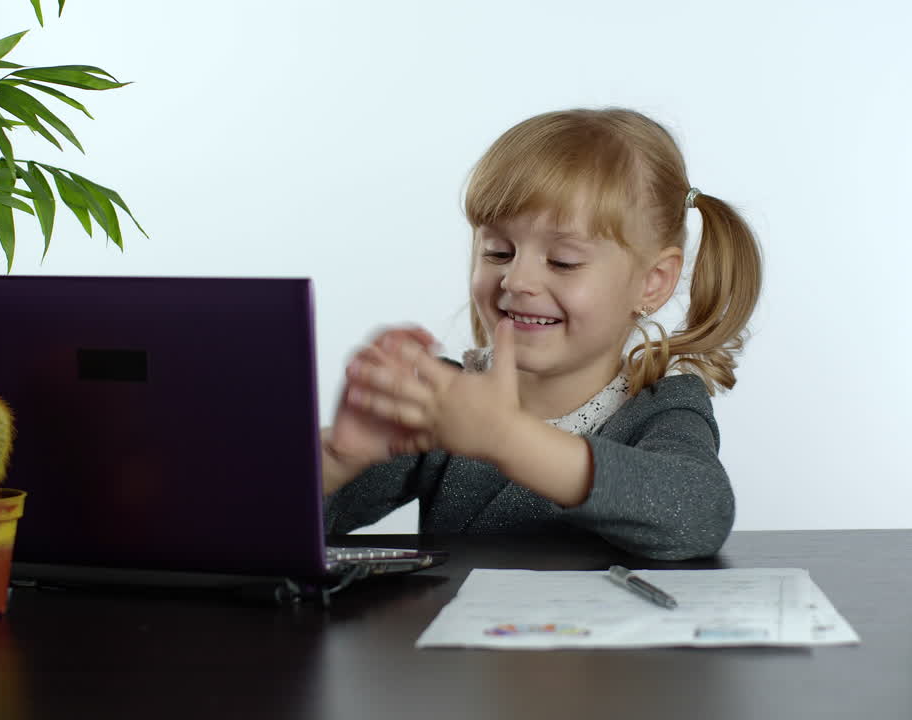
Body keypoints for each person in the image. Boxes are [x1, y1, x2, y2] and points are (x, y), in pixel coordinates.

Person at [320, 108, 762, 560]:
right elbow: (279, 529)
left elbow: (699, 515)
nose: (516, 280)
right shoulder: (446, 400)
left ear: (652, 282)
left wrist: (506, 439)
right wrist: (337, 458)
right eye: (498, 252)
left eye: (562, 261)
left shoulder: (658, 408)